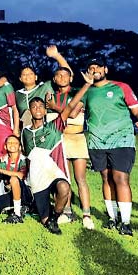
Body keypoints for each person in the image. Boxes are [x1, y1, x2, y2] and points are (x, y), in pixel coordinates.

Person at [83, 58, 138, 236]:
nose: (95, 70)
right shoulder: (87, 91)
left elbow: (136, 110)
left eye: (98, 67)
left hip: (121, 139)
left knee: (121, 178)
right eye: (91, 68)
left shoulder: (121, 87)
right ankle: (112, 218)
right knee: (106, 178)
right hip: (97, 141)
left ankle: (125, 222)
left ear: (105, 69)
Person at [20, 71, 92, 234]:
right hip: (37, 178)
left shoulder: (54, 127)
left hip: (53, 173)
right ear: (30, 110)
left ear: (45, 111)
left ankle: (56, 216)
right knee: (44, 221)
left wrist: (87, 85)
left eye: (41, 106)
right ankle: (45, 214)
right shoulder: (25, 132)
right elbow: (26, 154)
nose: (38, 109)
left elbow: (70, 106)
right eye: (34, 107)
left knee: (64, 187)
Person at [46, 64, 94, 229]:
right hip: (60, 140)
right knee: (64, 178)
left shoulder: (77, 93)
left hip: (76, 139)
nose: (62, 78)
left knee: (80, 178)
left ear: (70, 78)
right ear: (54, 79)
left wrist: (54, 107)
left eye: (65, 75)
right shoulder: (51, 95)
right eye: (58, 75)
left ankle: (86, 215)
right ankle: (66, 212)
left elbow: (72, 113)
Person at [15, 45, 69, 128]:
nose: (27, 76)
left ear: (36, 77)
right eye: (24, 74)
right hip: (26, 129)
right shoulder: (17, 94)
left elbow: (66, 75)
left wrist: (56, 55)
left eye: (30, 74)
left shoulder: (46, 86)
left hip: (46, 126)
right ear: (20, 78)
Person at [0, 135, 32, 223]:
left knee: (14, 179)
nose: (12, 144)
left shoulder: (25, 159)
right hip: (10, 194)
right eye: (9, 143)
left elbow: (21, 175)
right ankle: (18, 207)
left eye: (15, 143)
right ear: (5, 146)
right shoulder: (2, 160)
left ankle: (17, 214)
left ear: (19, 147)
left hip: (25, 193)